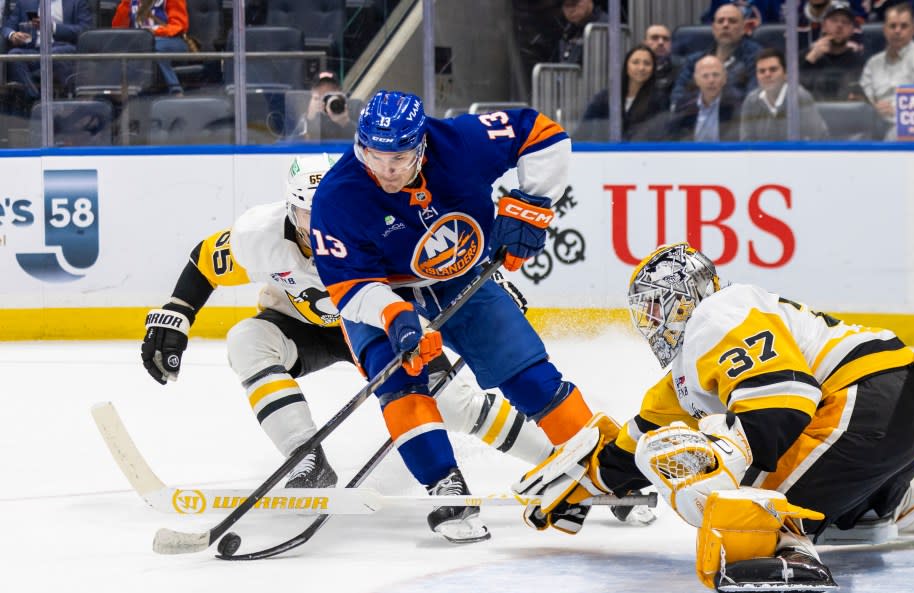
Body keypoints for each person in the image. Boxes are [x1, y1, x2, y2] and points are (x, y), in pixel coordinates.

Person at [515, 242, 914, 593]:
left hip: (869, 403)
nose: (651, 321)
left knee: (720, 489)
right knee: (850, 523)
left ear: (683, 298)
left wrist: (732, 465)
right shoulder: (696, 358)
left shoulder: (717, 316)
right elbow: (637, 441)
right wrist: (587, 479)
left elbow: (785, 402)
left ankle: (780, 546)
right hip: (903, 403)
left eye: (655, 307)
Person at [140, 154, 557, 525]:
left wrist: (488, 290)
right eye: (307, 214)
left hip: (375, 324)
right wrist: (178, 311)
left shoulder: (377, 223)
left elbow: (441, 261)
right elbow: (206, 260)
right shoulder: (260, 235)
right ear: (289, 209)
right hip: (300, 326)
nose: (320, 225)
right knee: (245, 338)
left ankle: (561, 463)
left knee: (451, 403)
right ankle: (306, 459)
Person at [309, 91, 631, 544]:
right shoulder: (337, 196)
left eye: (399, 157)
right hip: (381, 293)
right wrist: (395, 315)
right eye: (374, 155)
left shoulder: (460, 142)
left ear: (421, 145)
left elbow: (542, 133)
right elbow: (348, 286)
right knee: (401, 378)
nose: (386, 170)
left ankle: (609, 469)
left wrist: (531, 204)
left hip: (461, 278)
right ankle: (446, 485)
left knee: (529, 376)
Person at [860, 2, 914, 139]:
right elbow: (865, 96)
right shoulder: (873, 63)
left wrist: (896, 110)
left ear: (913, 29)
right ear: (884, 30)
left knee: (896, 132)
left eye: (904, 26)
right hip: (876, 123)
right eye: (892, 26)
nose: (897, 31)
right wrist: (874, 108)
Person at [670, 3, 762, 112]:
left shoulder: (757, 57)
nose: (725, 25)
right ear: (714, 29)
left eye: (732, 21)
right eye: (720, 21)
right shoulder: (694, 61)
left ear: (743, 29)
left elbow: (752, 100)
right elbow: (677, 100)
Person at [1, 0, 93, 102]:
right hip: (34, 50)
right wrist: (12, 34)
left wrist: (52, 27)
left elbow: (85, 29)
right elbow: (7, 27)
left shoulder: (76, 2)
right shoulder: (24, 2)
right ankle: (35, 99)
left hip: (63, 47)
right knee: (14, 56)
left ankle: (71, 96)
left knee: (55, 54)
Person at [576, 44, 669, 141]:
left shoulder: (659, 99)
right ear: (626, 66)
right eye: (635, 62)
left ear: (653, 69)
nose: (641, 68)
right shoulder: (605, 97)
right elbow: (583, 128)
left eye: (647, 63)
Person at [740, 47, 829, 140]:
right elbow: (746, 142)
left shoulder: (800, 97)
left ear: (786, 74)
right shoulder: (751, 101)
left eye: (773, 69)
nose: (767, 74)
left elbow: (818, 137)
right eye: (762, 71)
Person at [112, 0, 188, 95]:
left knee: (154, 46)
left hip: (171, 41)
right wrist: (126, 3)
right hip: (140, 43)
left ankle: (175, 91)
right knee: (118, 47)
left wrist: (151, 33)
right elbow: (118, 26)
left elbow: (178, 26)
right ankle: (116, 95)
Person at [800, 1, 867, 101]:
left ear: (852, 29)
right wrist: (810, 59)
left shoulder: (860, 63)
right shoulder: (806, 56)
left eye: (845, 22)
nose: (839, 25)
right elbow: (791, 90)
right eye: (834, 20)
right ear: (824, 26)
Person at [666, 54, 742, 141]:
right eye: (705, 76)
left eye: (716, 75)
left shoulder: (736, 105)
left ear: (724, 78)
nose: (711, 80)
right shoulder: (684, 106)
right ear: (696, 80)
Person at [289, 71, 356, 142]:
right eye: (320, 93)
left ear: (339, 92)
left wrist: (346, 123)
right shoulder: (307, 117)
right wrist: (310, 118)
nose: (324, 100)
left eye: (330, 93)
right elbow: (290, 147)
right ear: (312, 93)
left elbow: (365, 142)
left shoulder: (352, 109)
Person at [798, 0, 867, 51]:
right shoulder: (794, 21)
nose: (839, 24)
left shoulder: (846, 17)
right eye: (834, 20)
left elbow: (856, 54)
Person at [556, 0, 607, 65]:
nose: (570, 10)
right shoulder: (568, 30)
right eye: (566, 6)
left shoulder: (606, 27)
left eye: (574, 4)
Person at [643, 23, 679, 106]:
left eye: (666, 39)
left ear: (671, 44)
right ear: (645, 43)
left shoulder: (680, 69)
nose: (661, 42)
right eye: (655, 38)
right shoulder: (635, 68)